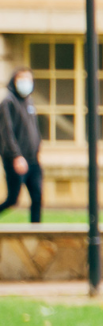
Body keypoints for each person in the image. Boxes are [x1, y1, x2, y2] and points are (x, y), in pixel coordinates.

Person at [1, 67, 43, 223]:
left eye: (28, 79)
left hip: (33, 159)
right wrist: (16, 156)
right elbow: (7, 132)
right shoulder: (8, 102)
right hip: (16, 160)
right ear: (14, 81)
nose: (26, 82)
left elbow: (34, 128)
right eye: (22, 79)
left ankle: (36, 231)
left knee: (37, 197)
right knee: (13, 199)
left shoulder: (29, 101)